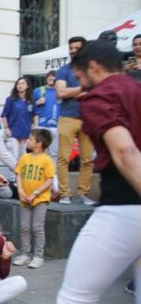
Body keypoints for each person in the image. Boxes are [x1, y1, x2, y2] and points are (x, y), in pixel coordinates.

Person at [39, 40, 141, 304]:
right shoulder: (136, 88)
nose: (78, 84)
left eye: (80, 75)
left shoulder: (100, 98)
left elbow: (126, 152)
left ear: (94, 67)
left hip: (124, 209)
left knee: (73, 303)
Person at [55, 36, 95, 205]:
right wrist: (82, 89)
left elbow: (95, 92)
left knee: (87, 159)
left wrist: (72, 92)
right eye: (71, 48)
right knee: (63, 158)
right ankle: (65, 194)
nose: (73, 50)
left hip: (87, 118)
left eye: (76, 47)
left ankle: (84, 193)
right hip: (67, 117)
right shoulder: (63, 70)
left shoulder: (92, 69)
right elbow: (60, 93)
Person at [13, 129, 55, 269]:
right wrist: (20, 190)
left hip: (40, 199)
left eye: (31, 139)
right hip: (24, 198)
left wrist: (35, 193)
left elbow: (49, 180)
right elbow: (18, 174)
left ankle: (38, 256)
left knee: (37, 227)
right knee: (24, 226)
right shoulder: (25, 157)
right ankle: (25, 254)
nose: (28, 141)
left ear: (39, 143)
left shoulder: (47, 160)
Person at [32, 70, 60, 174]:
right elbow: (30, 107)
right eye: (49, 76)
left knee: (54, 154)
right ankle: (38, 175)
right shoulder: (39, 90)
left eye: (53, 76)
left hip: (56, 126)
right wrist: (37, 102)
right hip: (41, 126)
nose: (51, 78)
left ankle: (51, 178)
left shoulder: (60, 92)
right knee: (38, 151)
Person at [1, 77, 34, 160]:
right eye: (18, 84)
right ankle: (13, 173)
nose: (20, 85)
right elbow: (4, 115)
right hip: (13, 132)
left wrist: (35, 128)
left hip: (26, 132)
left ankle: (22, 173)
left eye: (23, 83)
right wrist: (6, 128)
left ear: (27, 86)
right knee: (14, 156)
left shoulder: (31, 100)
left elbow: (35, 114)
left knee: (24, 157)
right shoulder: (11, 99)